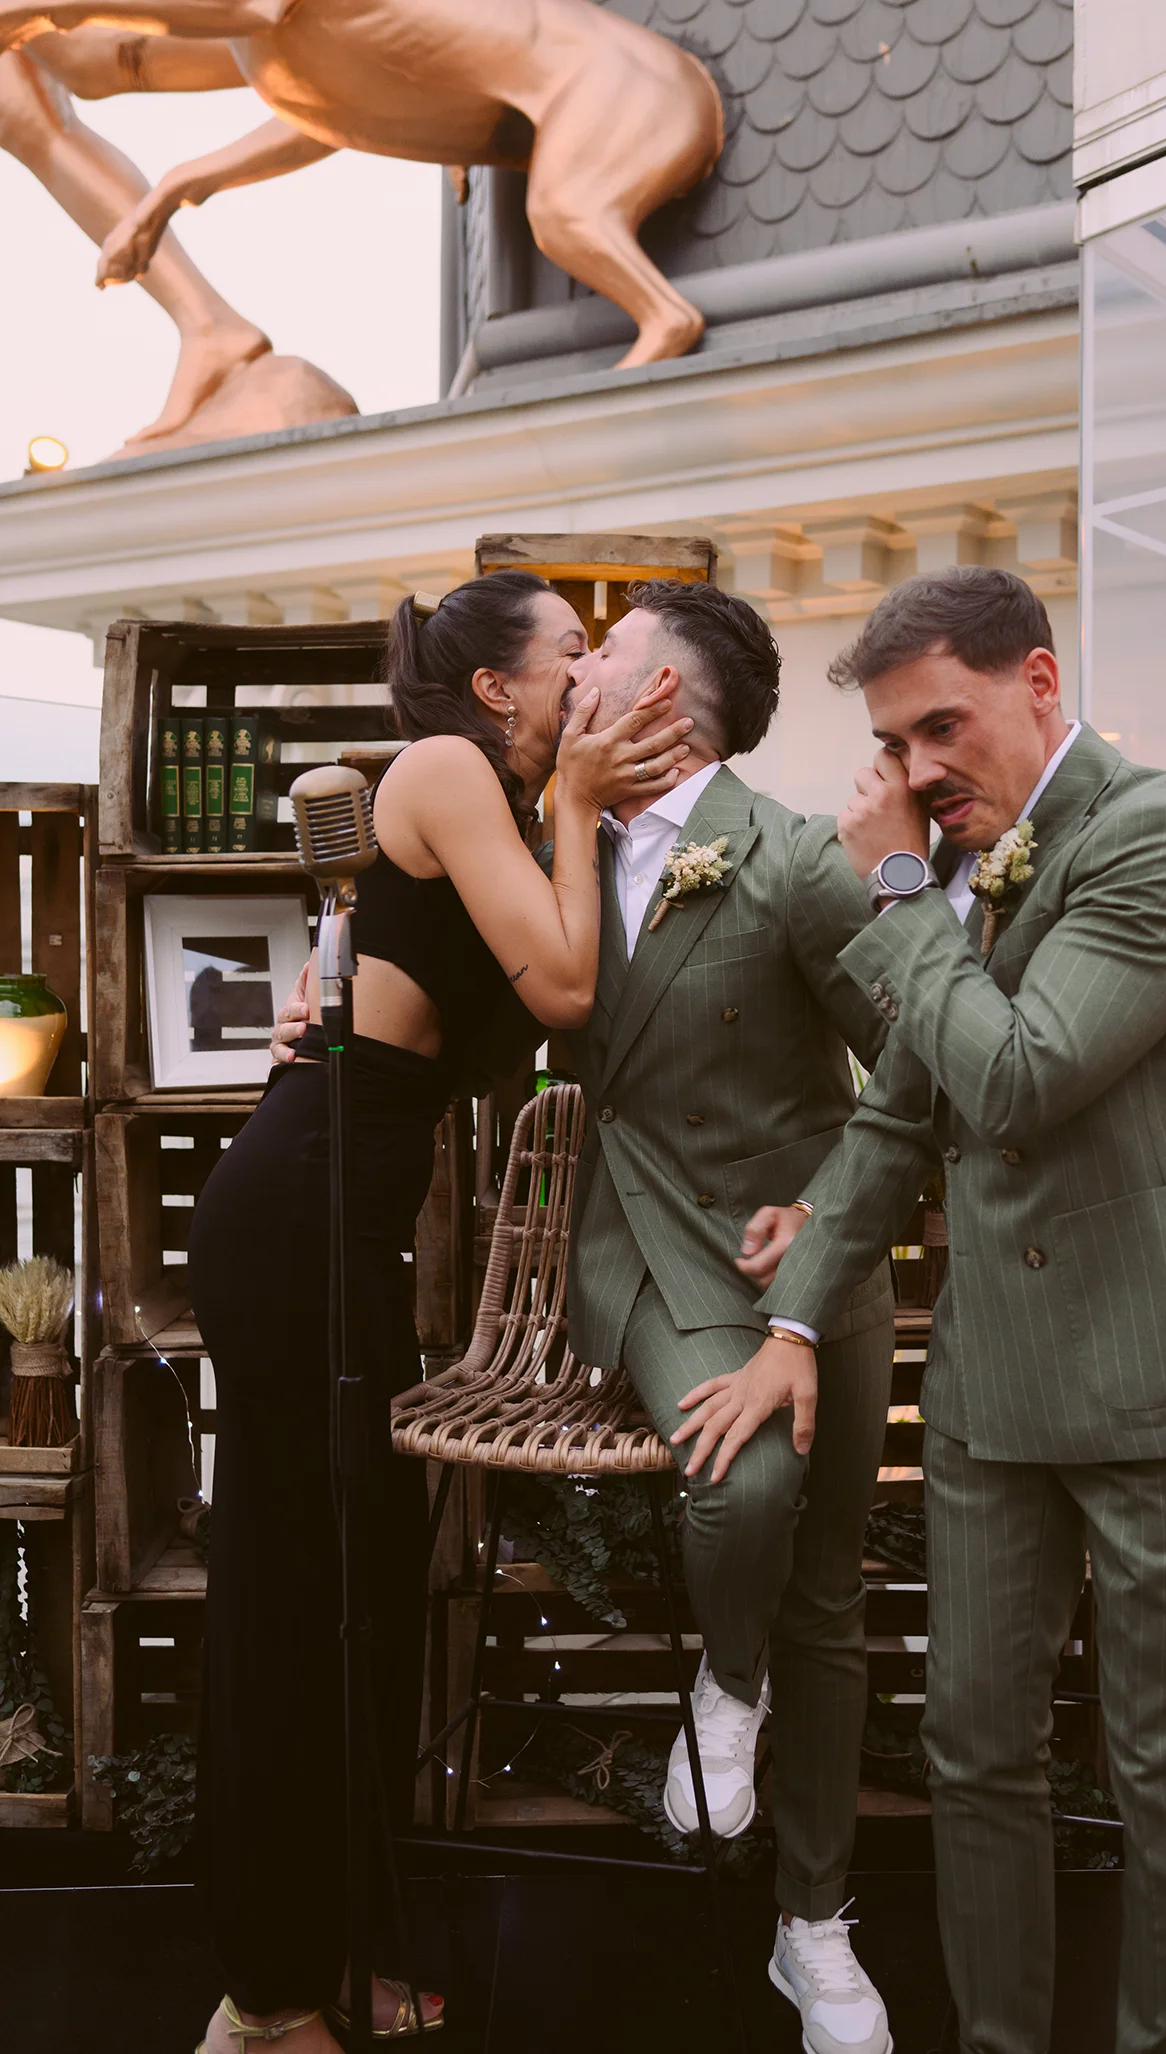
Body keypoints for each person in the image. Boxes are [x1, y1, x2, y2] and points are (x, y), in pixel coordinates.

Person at [719, 566, 1166, 2054]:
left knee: (1164, 1771)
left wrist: (900, 891)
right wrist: (793, 1322)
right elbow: (894, 1121)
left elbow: (1018, 1076)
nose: (917, 771)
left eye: (942, 727)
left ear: (1038, 683)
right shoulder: (963, 871)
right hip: (988, 1394)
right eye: (894, 744)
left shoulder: (1160, 837)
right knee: (973, 1751)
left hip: (1165, 1374)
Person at [188, 570, 692, 2054]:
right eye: (570, 653)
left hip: (338, 1224)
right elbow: (564, 990)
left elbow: (508, 1020)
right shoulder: (452, 770)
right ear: (495, 685)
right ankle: (265, 1996)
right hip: (297, 1219)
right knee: (297, 1597)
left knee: (361, 1596)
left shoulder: (500, 810)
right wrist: (580, 805)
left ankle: (328, 1953)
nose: (588, 674)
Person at [558, 581, 897, 2054]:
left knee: (827, 1594)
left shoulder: (796, 860)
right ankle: (728, 1681)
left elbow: (915, 1066)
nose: (577, 673)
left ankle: (813, 1928)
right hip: (645, 1241)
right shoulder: (553, 839)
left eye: (604, 655)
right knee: (743, 1480)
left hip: (803, 1255)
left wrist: (824, 1220)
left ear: (662, 699)